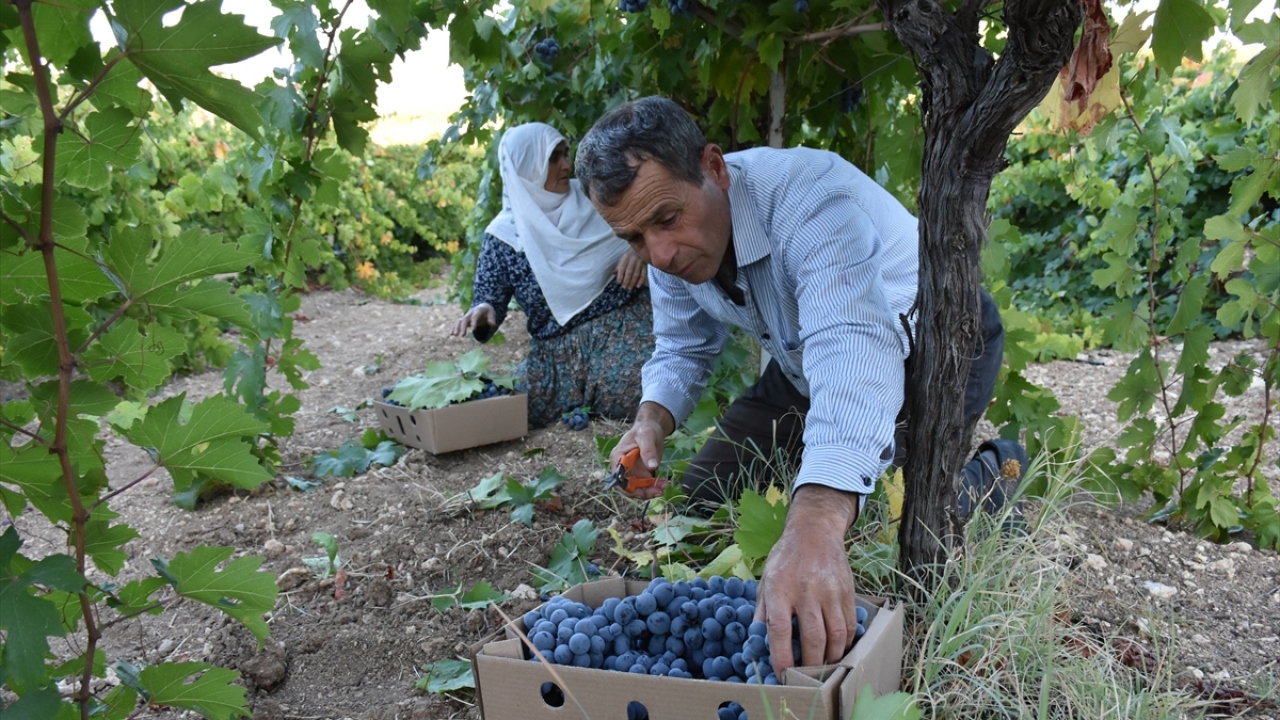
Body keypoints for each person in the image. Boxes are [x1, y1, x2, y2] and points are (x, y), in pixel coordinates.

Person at [574, 96, 1024, 675]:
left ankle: (994, 471)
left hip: (931, 348)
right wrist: (650, 420)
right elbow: (683, 347)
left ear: (715, 169)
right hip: (803, 362)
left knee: (897, 524)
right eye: (633, 239)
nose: (657, 254)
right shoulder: (665, 243)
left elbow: (853, 346)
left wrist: (816, 518)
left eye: (666, 220)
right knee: (704, 498)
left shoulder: (811, 197)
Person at [450, 123, 654, 427]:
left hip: (620, 332)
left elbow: (654, 227)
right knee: (507, 413)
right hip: (553, 359)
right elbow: (489, 299)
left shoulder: (597, 200)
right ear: (526, 167)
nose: (566, 165)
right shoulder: (504, 236)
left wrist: (640, 251)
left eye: (565, 154)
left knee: (639, 399)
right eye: (553, 158)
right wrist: (483, 310)